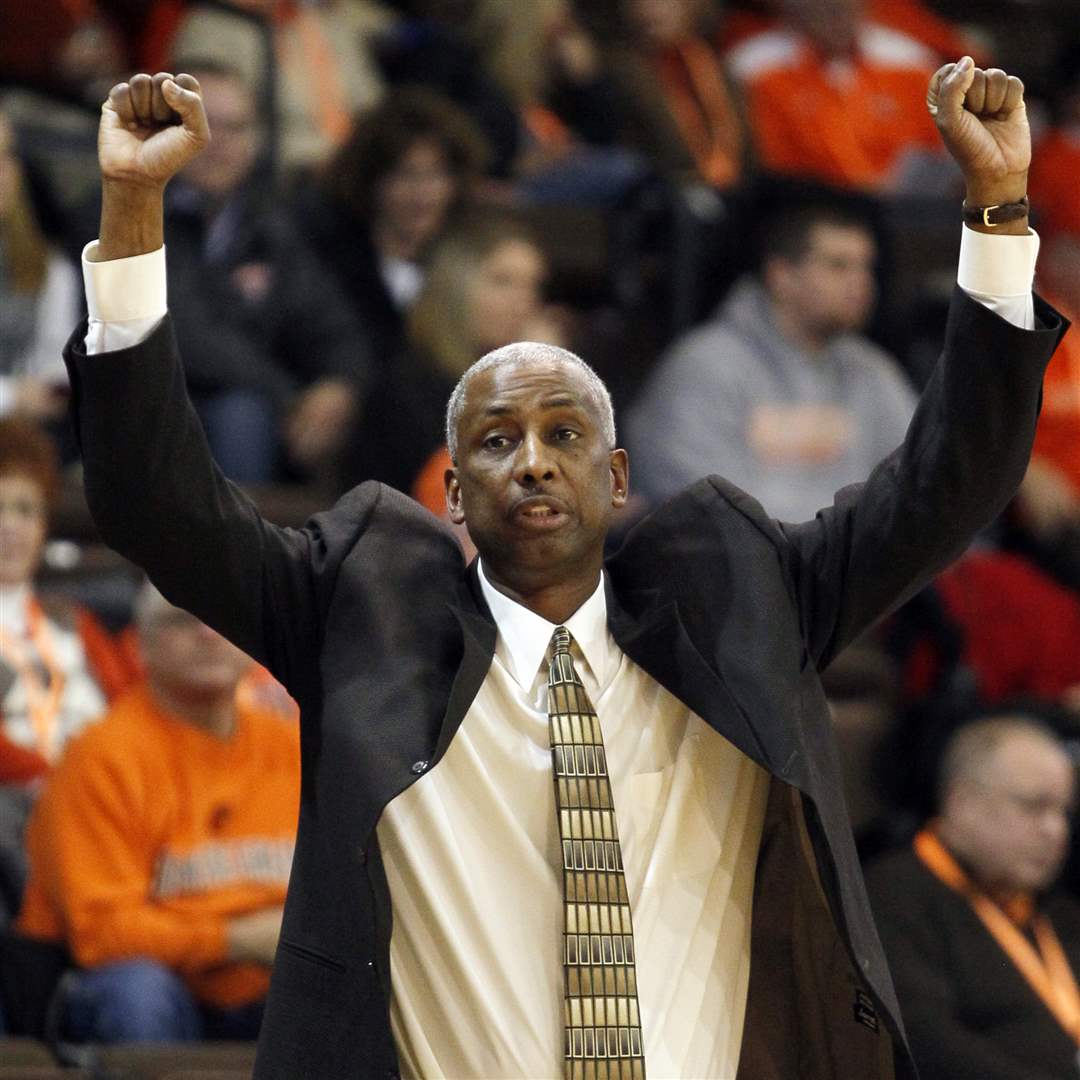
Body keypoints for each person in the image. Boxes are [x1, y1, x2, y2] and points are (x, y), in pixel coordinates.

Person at [63, 59, 1064, 1079]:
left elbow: (947, 486)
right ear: (451, 493)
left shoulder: (745, 602)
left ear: (619, 475)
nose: (533, 459)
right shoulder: (359, 611)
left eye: (564, 433)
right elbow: (161, 509)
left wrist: (995, 216)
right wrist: (136, 215)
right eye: (494, 441)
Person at [17, 584, 300, 1043]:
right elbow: (104, 936)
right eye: (183, 619)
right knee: (139, 994)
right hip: (132, 990)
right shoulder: (100, 759)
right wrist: (238, 939)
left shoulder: (295, 748)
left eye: (225, 618)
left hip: (266, 990)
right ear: (141, 646)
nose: (209, 633)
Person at [626, 198, 916, 520]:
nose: (860, 282)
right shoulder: (704, 367)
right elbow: (696, 505)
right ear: (782, 276)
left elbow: (920, 480)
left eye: (866, 266)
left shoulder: (873, 371)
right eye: (838, 265)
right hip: (736, 567)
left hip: (860, 566)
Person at [159, 59, 371, 483]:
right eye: (203, 125)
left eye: (236, 128)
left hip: (263, 406)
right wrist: (288, 397)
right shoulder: (127, 213)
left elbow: (332, 324)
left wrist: (339, 386)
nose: (220, 143)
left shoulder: (269, 223)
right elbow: (181, 336)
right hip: (155, 406)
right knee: (242, 414)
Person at [865, 716, 1080, 1080]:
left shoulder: (1053, 910)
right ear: (963, 802)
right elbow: (926, 1043)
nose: (1055, 831)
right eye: (1033, 807)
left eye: (1063, 812)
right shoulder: (895, 894)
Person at [726, 0, 949, 192]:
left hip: (903, 209)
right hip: (808, 206)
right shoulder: (755, 68)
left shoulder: (911, 63)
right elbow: (771, 164)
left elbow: (938, 156)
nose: (833, 8)